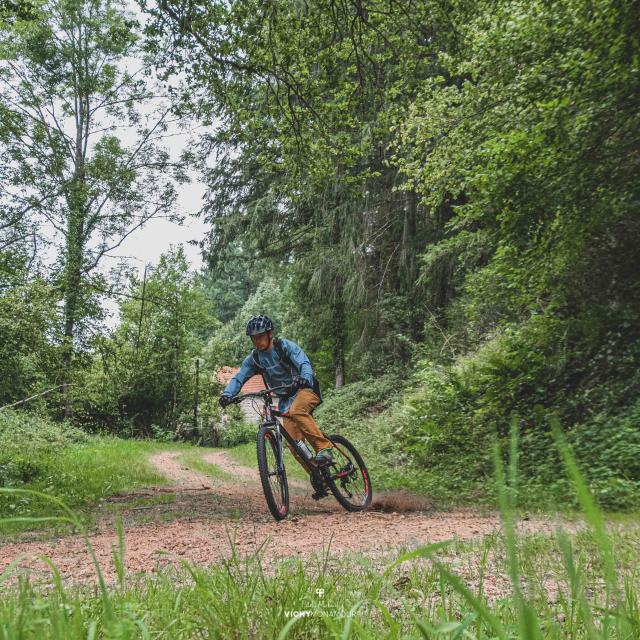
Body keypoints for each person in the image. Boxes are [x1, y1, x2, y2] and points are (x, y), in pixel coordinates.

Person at [218, 315, 334, 464]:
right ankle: (319, 476)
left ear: (269, 334)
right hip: (285, 401)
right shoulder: (255, 359)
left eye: (260, 337)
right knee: (295, 445)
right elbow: (239, 377)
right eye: (253, 338)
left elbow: (303, 362)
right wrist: (227, 394)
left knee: (297, 411)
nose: (257, 341)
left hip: (305, 389)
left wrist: (305, 377)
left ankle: (324, 447)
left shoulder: (284, 347)